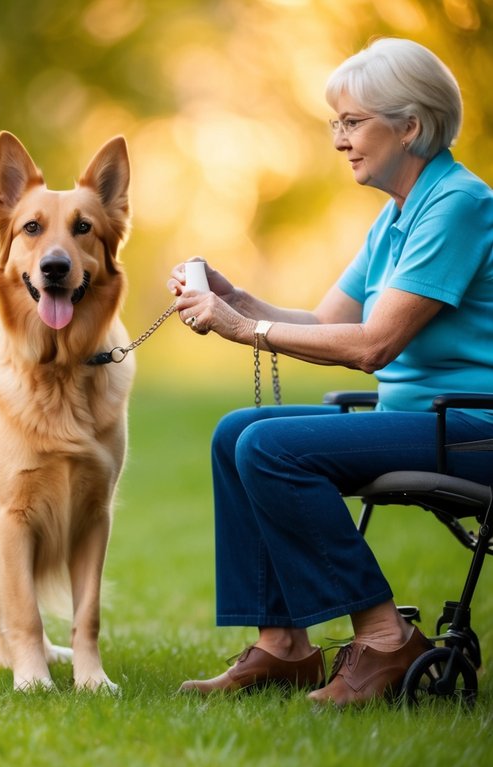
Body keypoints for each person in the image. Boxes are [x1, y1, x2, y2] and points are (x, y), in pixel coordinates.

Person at [170, 37, 493, 707]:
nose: (339, 139)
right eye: (335, 124)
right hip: (417, 421)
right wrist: (238, 301)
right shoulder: (397, 215)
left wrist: (242, 330)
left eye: (352, 122)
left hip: (469, 428)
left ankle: (382, 641)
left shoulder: (458, 205)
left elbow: (371, 346)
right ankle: (284, 645)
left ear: (409, 125)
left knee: (270, 447)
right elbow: (324, 323)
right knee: (236, 432)